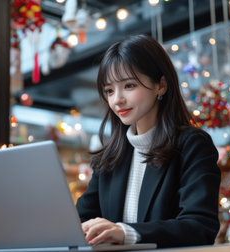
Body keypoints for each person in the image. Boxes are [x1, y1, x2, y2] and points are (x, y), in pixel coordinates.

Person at [76, 34, 221, 248]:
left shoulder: (193, 145)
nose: (117, 100)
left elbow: (200, 227)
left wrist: (126, 232)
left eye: (129, 85)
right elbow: (79, 222)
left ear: (161, 85)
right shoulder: (110, 158)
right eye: (109, 90)